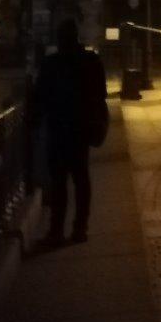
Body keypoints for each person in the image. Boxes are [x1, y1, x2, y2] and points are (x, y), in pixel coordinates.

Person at [30, 18, 108, 245]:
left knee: (59, 183)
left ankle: (56, 231)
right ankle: (80, 228)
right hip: (81, 128)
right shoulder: (91, 61)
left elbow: (40, 97)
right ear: (76, 37)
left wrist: (35, 119)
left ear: (60, 39)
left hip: (58, 129)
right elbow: (100, 94)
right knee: (81, 179)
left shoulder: (51, 64)